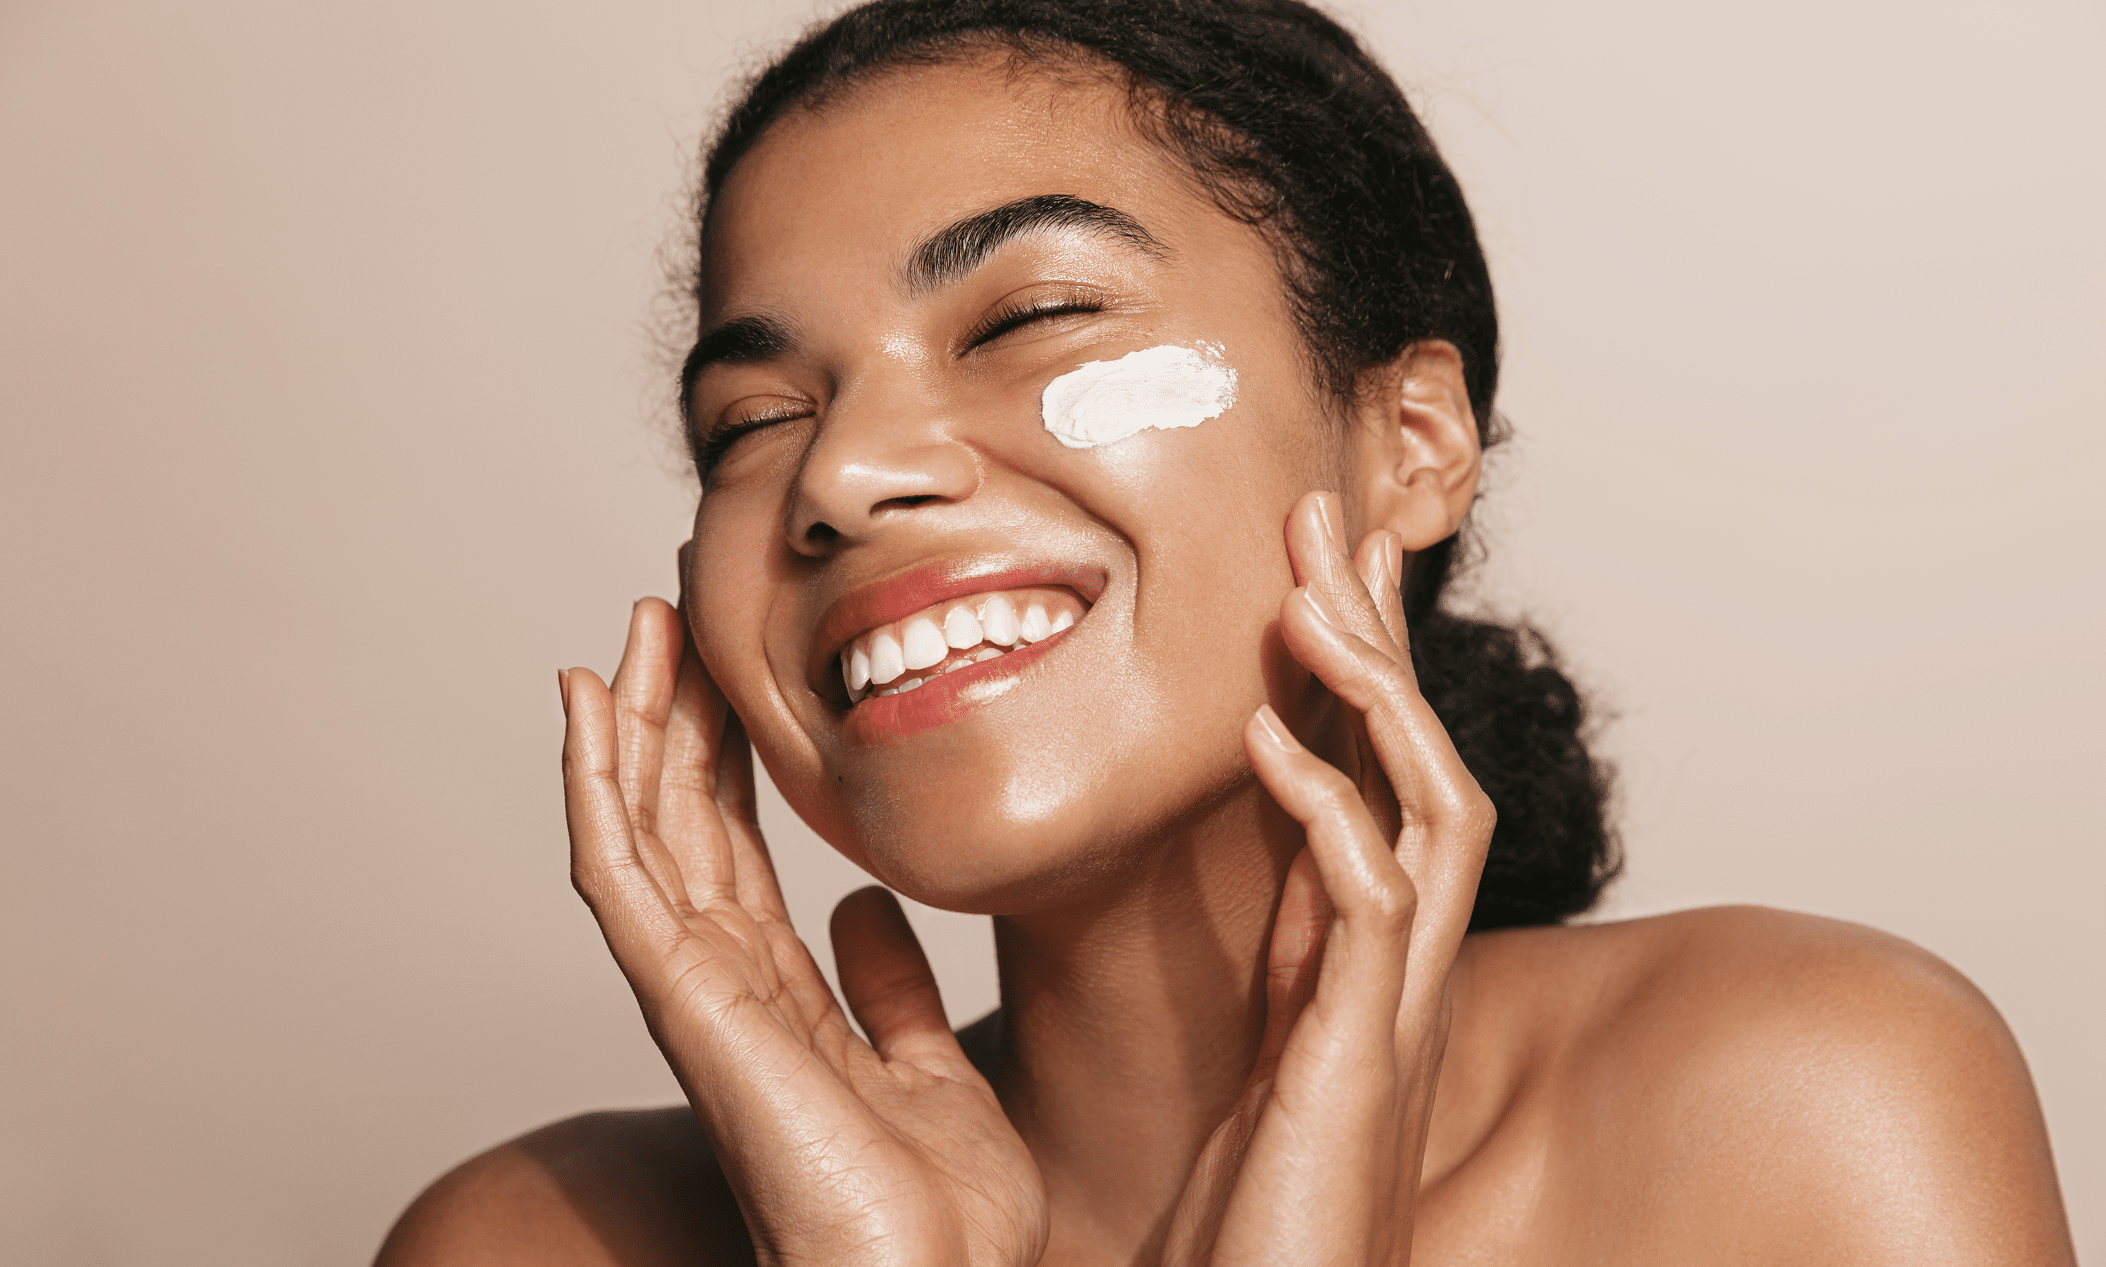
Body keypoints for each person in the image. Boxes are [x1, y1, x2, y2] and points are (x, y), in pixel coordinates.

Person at [377, 1, 2076, 1262]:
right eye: (751, 418)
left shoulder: (1793, 1107)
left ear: (1410, 442)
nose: (842, 469)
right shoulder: (537, 1241)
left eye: (1031, 315)